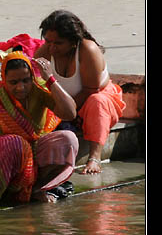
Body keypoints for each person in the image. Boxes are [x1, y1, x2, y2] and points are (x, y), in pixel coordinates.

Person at [0, 52, 79, 204]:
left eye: (26, 80)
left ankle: (33, 190)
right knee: (15, 143)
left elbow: (70, 113)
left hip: (30, 156)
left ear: (32, 77)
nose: (21, 87)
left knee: (67, 139)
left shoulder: (39, 90)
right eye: (13, 82)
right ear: (4, 80)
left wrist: (50, 79)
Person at [34, 10, 126, 174]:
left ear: (73, 42)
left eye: (58, 43)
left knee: (97, 101)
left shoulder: (88, 50)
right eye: (48, 41)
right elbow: (37, 88)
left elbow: (91, 90)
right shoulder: (44, 53)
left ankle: (94, 157)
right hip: (65, 107)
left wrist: (66, 112)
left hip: (95, 101)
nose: (52, 48)